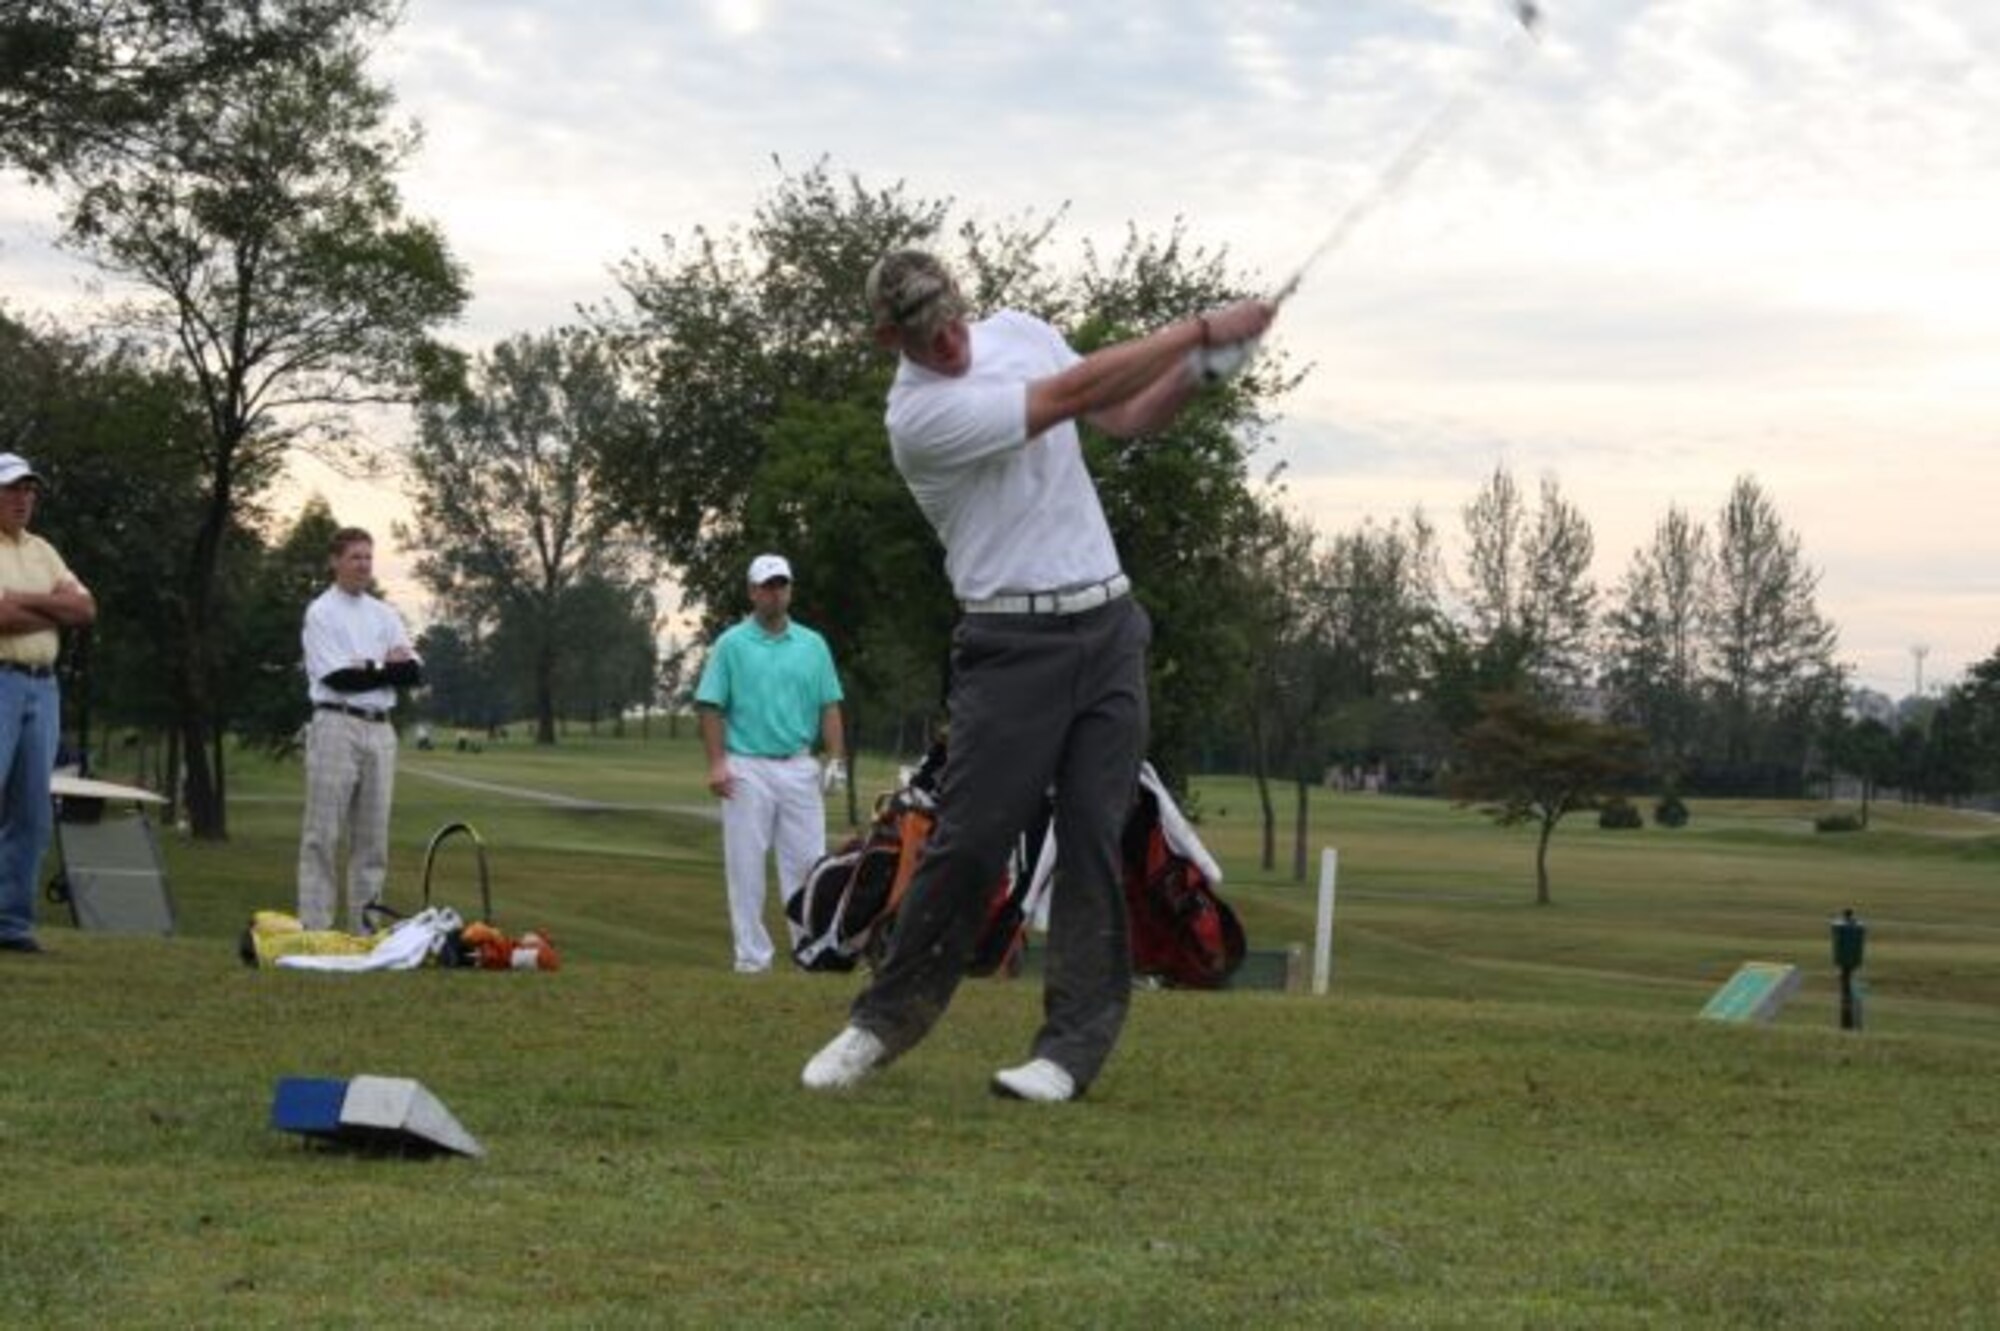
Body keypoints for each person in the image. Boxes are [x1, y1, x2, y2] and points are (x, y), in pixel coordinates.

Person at [802, 249, 1276, 1101]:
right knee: (970, 843)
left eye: (951, 318)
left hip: (1108, 626)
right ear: (887, 338)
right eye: (922, 333)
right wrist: (1198, 328)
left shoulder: (1018, 332)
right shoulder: (918, 417)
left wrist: (1198, 370)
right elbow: (1069, 397)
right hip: (1008, 645)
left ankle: (1068, 1052)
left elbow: (1123, 416)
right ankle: (882, 1021)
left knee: (1096, 836)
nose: (948, 340)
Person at [695, 553, 847, 974]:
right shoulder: (730, 644)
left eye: (781, 585)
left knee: (806, 865)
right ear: (752, 591)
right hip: (747, 767)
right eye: (766, 586)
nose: (774, 593)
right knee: (746, 868)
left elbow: (829, 705)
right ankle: (752, 959)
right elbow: (710, 706)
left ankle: (807, 953)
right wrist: (716, 763)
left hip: (799, 766)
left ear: (790, 589)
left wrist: (835, 759)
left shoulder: (813, 644)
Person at [297, 526, 421, 933]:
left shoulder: (384, 614)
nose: (364, 565)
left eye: (368, 557)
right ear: (335, 561)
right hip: (336, 724)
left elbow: (413, 673)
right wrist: (385, 667)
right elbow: (339, 679)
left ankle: (365, 933)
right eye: (355, 557)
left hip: (380, 731)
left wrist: (368, 666)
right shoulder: (321, 613)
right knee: (323, 836)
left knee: (372, 843)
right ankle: (314, 932)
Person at [0, 453, 96, 955]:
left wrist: (24, 602)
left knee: (32, 809)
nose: (23, 499)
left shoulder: (44, 551)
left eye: (29, 490)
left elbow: (84, 608)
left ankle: (10, 923)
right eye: (13, 489)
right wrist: (50, 610)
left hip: (43, 686)